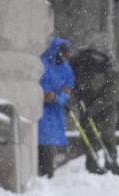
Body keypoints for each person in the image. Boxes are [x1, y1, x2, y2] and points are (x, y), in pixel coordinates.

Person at [68, 48, 119, 174]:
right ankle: (92, 164)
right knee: (89, 135)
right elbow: (71, 84)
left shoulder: (108, 69)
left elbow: (112, 94)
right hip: (86, 104)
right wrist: (75, 98)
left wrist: (93, 108)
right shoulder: (79, 65)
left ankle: (111, 163)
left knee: (107, 134)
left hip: (103, 106)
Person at [38, 37, 74, 178]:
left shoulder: (65, 68)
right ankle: (45, 174)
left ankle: (48, 173)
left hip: (55, 115)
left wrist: (63, 96)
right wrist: (54, 97)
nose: (64, 58)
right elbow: (44, 94)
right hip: (43, 114)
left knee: (51, 143)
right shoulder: (42, 66)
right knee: (44, 144)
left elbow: (68, 85)